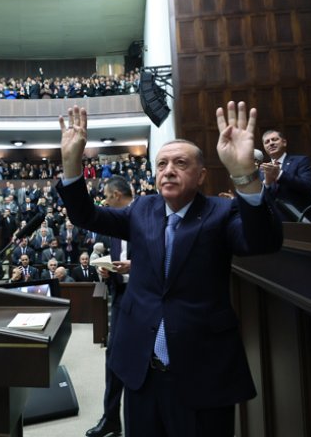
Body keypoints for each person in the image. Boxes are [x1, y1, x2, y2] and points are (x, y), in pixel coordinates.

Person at [57, 103, 282, 437]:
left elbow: (263, 241)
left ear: (201, 175)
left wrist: (244, 176)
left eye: (181, 163)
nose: (169, 170)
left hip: (201, 371)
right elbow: (86, 216)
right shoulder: (142, 209)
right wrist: (72, 164)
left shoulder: (222, 212)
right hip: (141, 370)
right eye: (162, 164)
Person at [87, 174, 134, 437]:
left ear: (116, 195)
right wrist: (107, 270)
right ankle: (111, 419)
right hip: (121, 295)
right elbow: (116, 257)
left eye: (106, 196)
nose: (104, 201)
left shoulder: (147, 213)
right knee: (114, 357)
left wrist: (134, 267)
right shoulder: (114, 223)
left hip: (146, 296)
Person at [260, 129, 311, 222]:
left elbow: (306, 186)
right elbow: (261, 201)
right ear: (264, 147)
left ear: (284, 142)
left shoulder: (301, 161)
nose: (271, 143)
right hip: (275, 225)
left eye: (274, 139)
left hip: (302, 221)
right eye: (267, 142)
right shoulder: (263, 170)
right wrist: (267, 183)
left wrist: (279, 174)